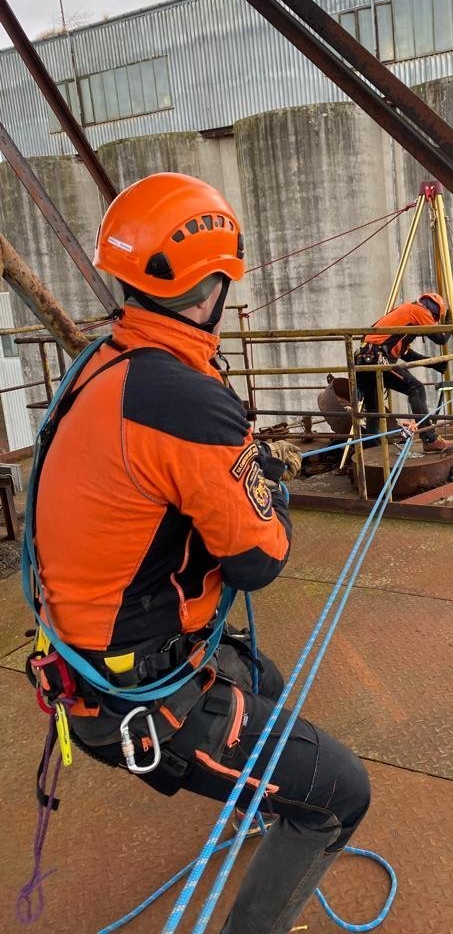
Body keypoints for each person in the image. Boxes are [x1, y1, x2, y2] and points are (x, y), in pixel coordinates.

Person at [32, 173, 371, 934]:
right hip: (136, 700)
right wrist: (267, 489)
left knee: (268, 679)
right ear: (213, 284)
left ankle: (264, 800)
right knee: (342, 794)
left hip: (94, 665)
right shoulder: (185, 399)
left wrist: (239, 467)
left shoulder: (104, 364)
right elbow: (260, 560)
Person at [355, 292, 453, 453]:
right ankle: (430, 439)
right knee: (415, 388)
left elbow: (405, 354)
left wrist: (432, 363)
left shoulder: (406, 315)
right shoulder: (420, 311)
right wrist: (452, 325)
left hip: (363, 359)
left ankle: (372, 450)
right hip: (376, 359)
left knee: (374, 408)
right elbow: (440, 338)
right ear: (435, 312)